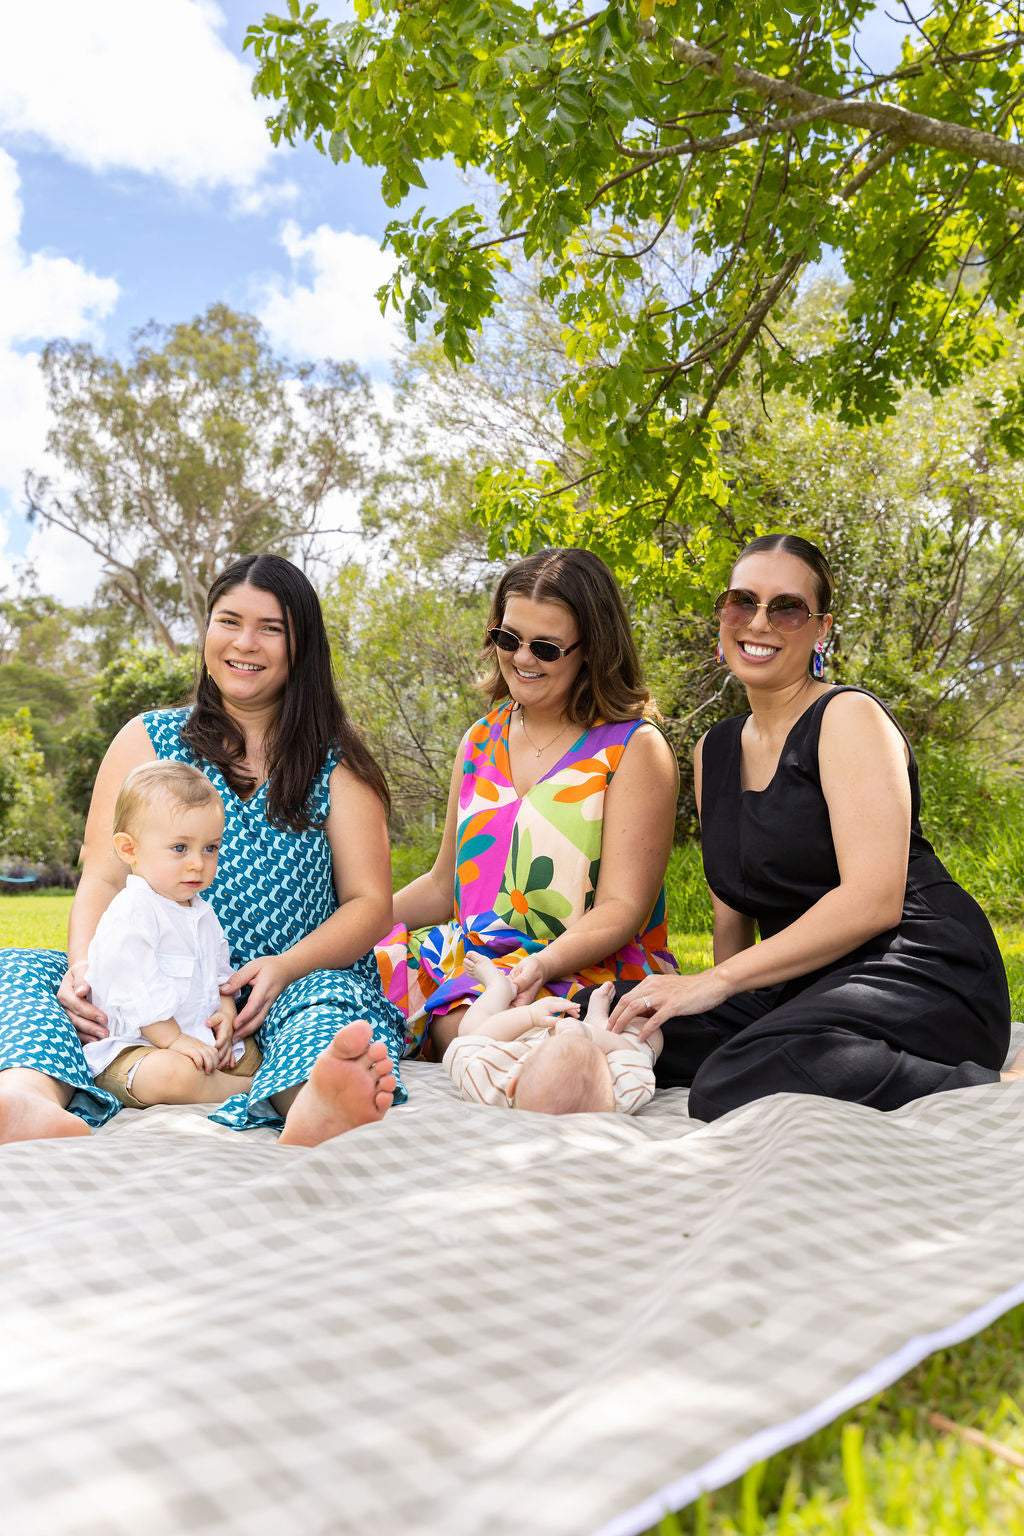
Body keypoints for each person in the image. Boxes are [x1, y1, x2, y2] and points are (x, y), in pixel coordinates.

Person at [604, 532, 1017, 1120]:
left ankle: (992, 1084)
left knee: (733, 1079)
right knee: (615, 1010)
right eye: (742, 602)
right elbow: (732, 911)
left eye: (787, 608)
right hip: (804, 980)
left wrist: (718, 982)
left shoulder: (847, 716)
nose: (759, 622)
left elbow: (874, 901)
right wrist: (711, 995)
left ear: (821, 629)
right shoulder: (712, 750)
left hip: (916, 966)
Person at [0, 553, 402, 1146]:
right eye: (228, 621)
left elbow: (370, 903)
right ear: (208, 629)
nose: (245, 642)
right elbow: (103, 879)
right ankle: (26, 1098)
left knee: (331, 1006)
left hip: (285, 986)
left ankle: (311, 1098)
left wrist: (285, 967)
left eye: (271, 628)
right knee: (17, 970)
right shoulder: (147, 739)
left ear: (302, 647)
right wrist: (83, 972)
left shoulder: (336, 764)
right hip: (151, 980)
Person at [376, 546, 679, 1059]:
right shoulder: (479, 740)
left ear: (593, 648)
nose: (521, 658)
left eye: (545, 647)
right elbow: (442, 885)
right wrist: (350, 924)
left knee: (488, 1035)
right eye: (508, 638)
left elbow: (622, 908)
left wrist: (538, 966)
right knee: (344, 983)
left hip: (584, 971)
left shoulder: (634, 748)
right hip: (475, 965)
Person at [84, 762, 261, 1109]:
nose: (198, 863)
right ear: (129, 849)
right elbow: (138, 991)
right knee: (168, 1075)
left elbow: (220, 976)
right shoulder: (133, 911)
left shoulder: (202, 914)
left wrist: (226, 1015)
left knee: (257, 1049)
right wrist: (175, 1040)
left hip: (197, 1039)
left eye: (210, 848)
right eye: (180, 848)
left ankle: (289, 1086)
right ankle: (252, 1090)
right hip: (135, 1049)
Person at [444, 953, 661, 1114]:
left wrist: (528, 1016)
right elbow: (633, 1056)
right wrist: (592, 1037)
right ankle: (597, 1023)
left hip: (520, 1041)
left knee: (468, 1030)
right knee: (650, 1035)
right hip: (598, 1047)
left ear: (512, 1086)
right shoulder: (618, 1097)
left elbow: (473, 1040)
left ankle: (498, 988)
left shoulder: (489, 1086)